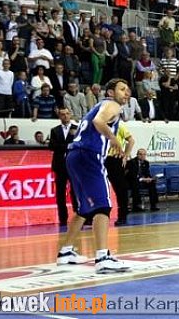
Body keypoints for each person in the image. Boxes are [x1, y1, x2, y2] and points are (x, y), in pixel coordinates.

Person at [57, 78, 132, 273]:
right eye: (122, 89)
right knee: (103, 206)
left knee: (84, 209)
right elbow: (99, 122)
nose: (126, 92)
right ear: (110, 93)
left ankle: (65, 252)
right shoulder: (112, 105)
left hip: (74, 155)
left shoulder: (100, 106)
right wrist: (114, 139)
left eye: (128, 89)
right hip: (89, 155)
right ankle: (102, 257)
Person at [49, 108, 78, 227]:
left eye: (67, 114)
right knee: (60, 193)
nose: (65, 116)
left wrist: (65, 146)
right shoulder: (55, 130)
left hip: (74, 165)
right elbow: (52, 146)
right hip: (60, 165)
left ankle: (79, 217)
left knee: (76, 192)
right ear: (59, 116)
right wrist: (68, 146)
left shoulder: (77, 128)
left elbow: (79, 144)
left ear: (70, 114)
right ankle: (63, 219)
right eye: (62, 114)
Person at [106, 121, 134, 226]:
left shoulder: (119, 126)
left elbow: (131, 140)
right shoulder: (98, 125)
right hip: (101, 159)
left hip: (115, 159)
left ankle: (122, 215)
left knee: (120, 189)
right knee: (97, 188)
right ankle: (94, 216)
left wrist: (126, 156)